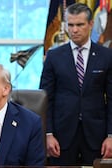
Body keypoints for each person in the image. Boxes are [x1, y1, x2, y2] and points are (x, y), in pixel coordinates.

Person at [40, 3, 112, 166]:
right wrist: (48, 133)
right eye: (70, 25)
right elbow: (45, 99)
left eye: (80, 25)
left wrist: (111, 135)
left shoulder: (106, 56)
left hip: (97, 136)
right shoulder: (54, 56)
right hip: (61, 136)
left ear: (91, 24)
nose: (74, 30)